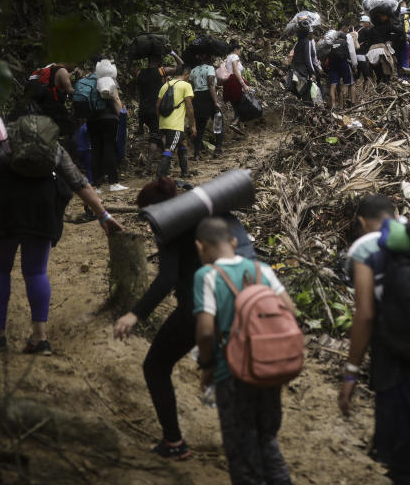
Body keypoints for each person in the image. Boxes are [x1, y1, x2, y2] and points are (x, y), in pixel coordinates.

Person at [0, 114, 122, 354]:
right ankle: (40, 338)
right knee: (36, 271)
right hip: (42, 206)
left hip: (3, 205)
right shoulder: (51, 144)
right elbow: (78, 182)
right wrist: (104, 215)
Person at [113, 180, 257, 460]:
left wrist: (135, 313)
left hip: (198, 308)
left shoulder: (170, 225)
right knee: (233, 376)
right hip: (235, 306)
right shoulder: (201, 218)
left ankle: (174, 442)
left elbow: (166, 277)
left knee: (155, 366)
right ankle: (254, 445)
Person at [338, 195, 410, 484]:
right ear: (395, 214)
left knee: (405, 467)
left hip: (395, 365)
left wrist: (351, 374)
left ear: (362, 222)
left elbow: (365, 315)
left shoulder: (366, 247)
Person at [193, 217, 295, 485]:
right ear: (235, 242)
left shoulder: (206, 276)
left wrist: (207, 366)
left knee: (241, 444)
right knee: (267, 437)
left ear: (200, 247)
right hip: (267, 367)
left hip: (232, 372)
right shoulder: (262, 270)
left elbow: (204, 331)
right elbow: (291, 311)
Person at [86, 58, 128, 193]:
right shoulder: (109, 80)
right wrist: (122, 116)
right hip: (108, 119)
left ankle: (96, 186)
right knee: (109, 148)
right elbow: (115, 99)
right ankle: (113, 183)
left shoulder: (90, 81)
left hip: (92, 120)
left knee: (96, 150)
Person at [136, 49, 183, 165]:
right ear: (157, 60)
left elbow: (129, 69)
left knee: (160, 134)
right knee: (155, 137)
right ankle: (148, 164)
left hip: (142, 111)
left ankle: (168, 161)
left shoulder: (139, 73)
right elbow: (182, 66)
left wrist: (131, 59)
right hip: (156, 110)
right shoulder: (162, 71)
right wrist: (172, 53)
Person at [156, 68, 196, 179]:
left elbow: (157, 106)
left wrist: (160, 122)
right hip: (175, 125)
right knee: (169, 148)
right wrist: (193, 125)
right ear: (185, 73)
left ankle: (185, 172)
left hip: (163, 123)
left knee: (182, 143)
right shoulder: (185, 85)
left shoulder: (165, 85)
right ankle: (160, 176)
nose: (189, 78)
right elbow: (189, 106)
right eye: (189, 75)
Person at [188, 50, 222, 160]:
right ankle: (218, 149)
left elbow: (191, 87)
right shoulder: (210, 68)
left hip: (197, 97)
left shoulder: (192, 71)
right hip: (208, 96)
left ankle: (196, 153)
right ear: (208, 57)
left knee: (200, 126)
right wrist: (215, 101)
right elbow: (211, 84)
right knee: (218, 122)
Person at [218, 41, 250, 136]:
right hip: (234, 82)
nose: (240, 52)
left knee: (236, 107)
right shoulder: (235, 57)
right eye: (240, 50)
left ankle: (237, 133)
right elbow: (236, 71)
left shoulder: (227, 58)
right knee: (243, 105)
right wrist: (243, 84)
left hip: (228, 83)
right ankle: (235, 123)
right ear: (236, 49)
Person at [288, 27, 322, 103]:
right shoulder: (307, 42)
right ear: (308, 34)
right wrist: (312, 72)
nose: (313, 35)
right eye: (312, 33)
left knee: (298, 92)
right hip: (302, 72)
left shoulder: (299, 42)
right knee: (306, 93)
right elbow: (308, 59)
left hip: (295, 70)